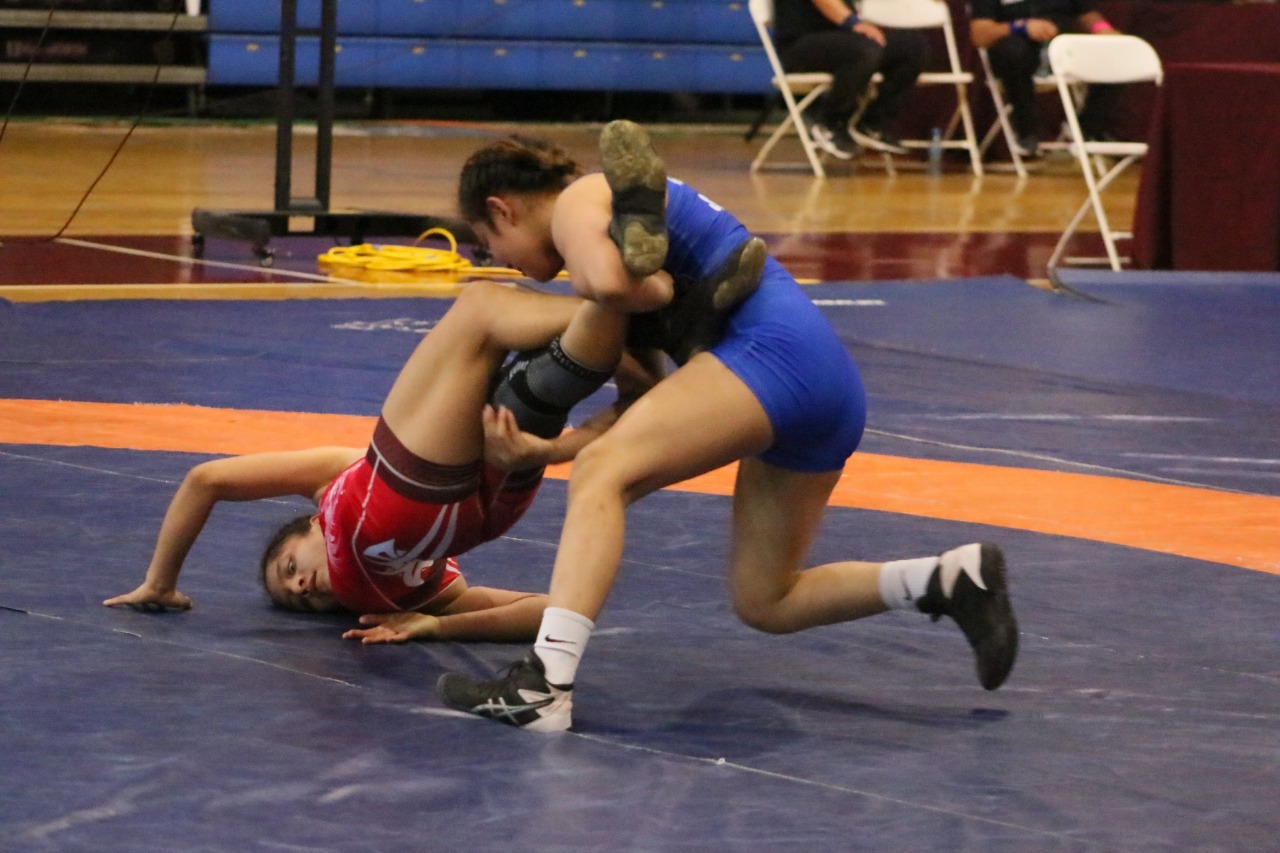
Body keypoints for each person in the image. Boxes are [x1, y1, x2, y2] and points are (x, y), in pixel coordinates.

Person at [436, 121, 1020, 733]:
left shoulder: (583, 199)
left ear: (501, 210)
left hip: (770, 351)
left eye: (486, 247)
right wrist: (547, 448)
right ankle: (948, 578)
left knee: (602, 474)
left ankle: (544, 684)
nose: (499, 264)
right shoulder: (616, 259)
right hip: (820, 379)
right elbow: (644, 401)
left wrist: (657, 290)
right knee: (767, 599)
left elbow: (605, 282)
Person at [102, 278, 636, 644]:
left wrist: (160, 582)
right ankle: (638, 314)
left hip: (452, 498)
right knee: (478, 310)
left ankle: (623, 319)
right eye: (303, 604)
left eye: (290, 568)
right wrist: (432, 625)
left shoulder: (336, 489)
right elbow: (554, 608)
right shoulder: (411, 595)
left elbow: (206, 480)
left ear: (315, 523)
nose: (300, 587)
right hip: (436, 502)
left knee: (536, 390)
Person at [772, 0, 930, 159]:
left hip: (846, 39)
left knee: (913, 48)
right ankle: (831, 122)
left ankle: (872, 123)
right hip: (801, 44)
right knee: (864, 51)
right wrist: (853, 23)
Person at [969, 0, 1120, 157]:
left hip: (1064, 48)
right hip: (1016, 51)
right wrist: (1020, 27)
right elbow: (979, 34)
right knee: (1014, 52)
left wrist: (1102, 29)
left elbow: (1087, 14)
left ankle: (1085, 127)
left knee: (1116, 52)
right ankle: (1026, 132)